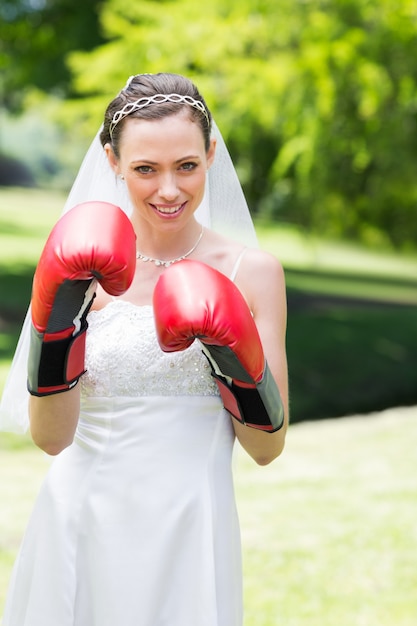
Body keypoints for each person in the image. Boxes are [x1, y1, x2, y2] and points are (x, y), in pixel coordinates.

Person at [0, 72, 288, 626]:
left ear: (210, 154)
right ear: (112, 161)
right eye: (144, 169)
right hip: (79, 518)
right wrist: (65, 318)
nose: (169, 190)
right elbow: (51, 437)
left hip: (190, 523)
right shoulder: (79, 266)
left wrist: (227, 349)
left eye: (186, 165)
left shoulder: (252, 272)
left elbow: (266, 449)